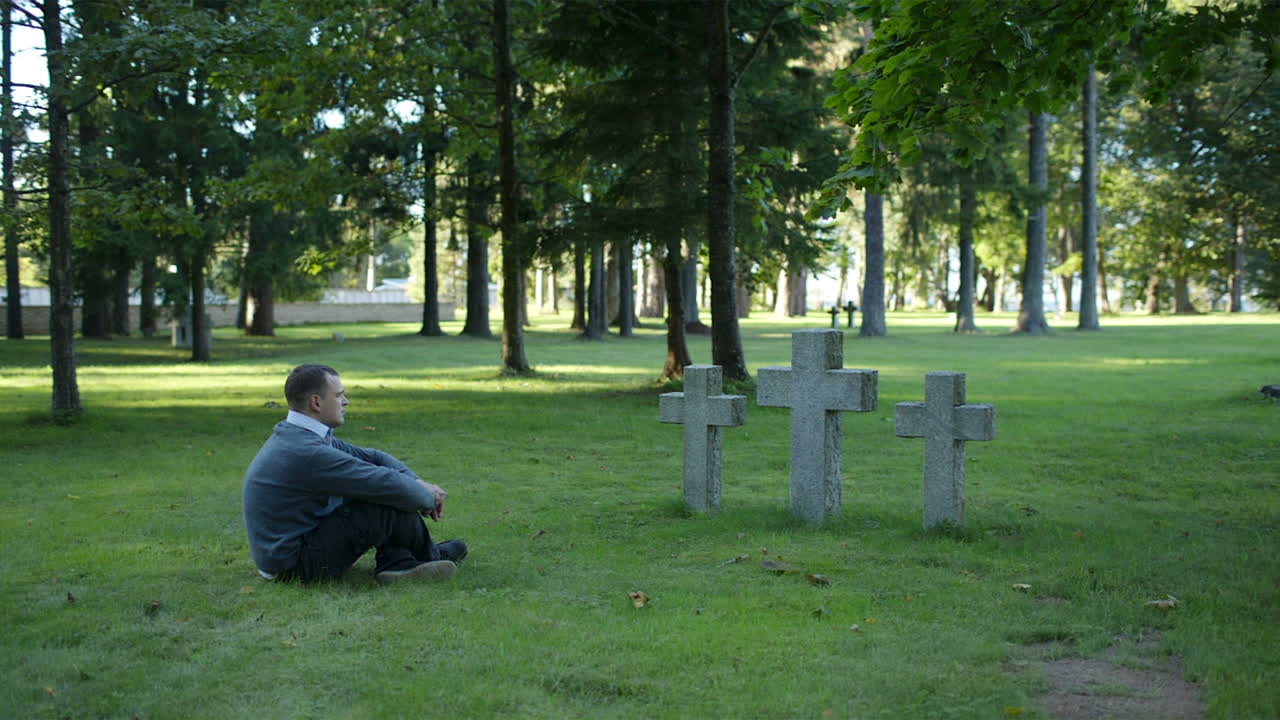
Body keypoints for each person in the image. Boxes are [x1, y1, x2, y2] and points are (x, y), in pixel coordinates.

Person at [243, 364, 467, 585]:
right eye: (339, 395)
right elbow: (385, 483)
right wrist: (428, 497)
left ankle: (401, 562)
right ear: (316, 402)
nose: (346, 401)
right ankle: (425, 556)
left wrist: (418, 483)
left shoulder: (299, 435)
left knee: (390, 490)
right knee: (383, 499)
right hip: (293, 565)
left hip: (290, 552)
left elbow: (375, 457)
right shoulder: (306, 450)